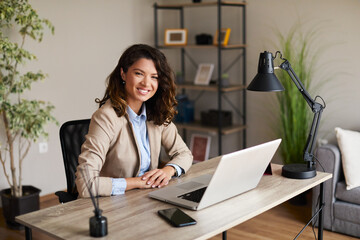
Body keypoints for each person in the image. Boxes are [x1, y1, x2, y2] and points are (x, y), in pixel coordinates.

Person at [75, 44, 193, 197]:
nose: (146, 83)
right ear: (123, 74)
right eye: (139, 73)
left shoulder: (157, 112)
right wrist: (139, 182)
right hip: (112, 204)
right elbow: (86, 184)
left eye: (154, 77)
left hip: (146, 198)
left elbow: (184, 154)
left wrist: (168, 171)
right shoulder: (105, 117)